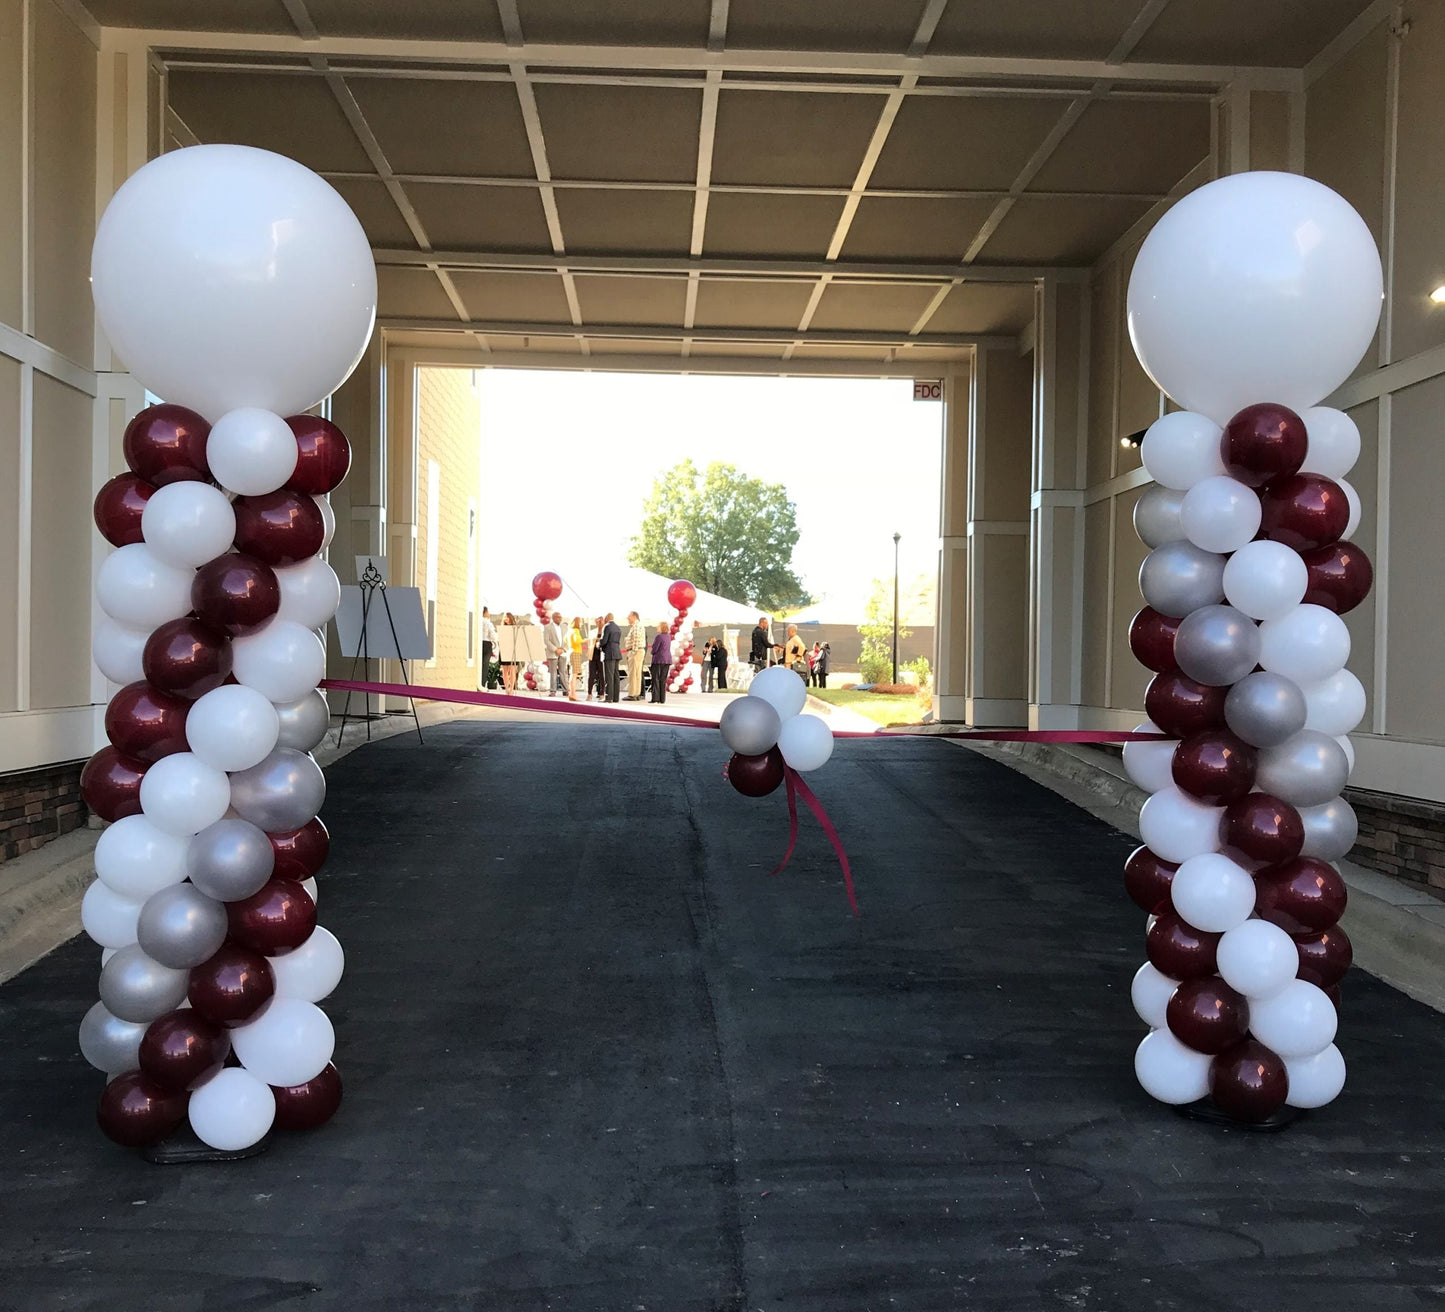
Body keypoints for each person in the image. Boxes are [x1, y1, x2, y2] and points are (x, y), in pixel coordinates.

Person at [623, 609, 648, 701]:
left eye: (629, 616)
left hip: (635, 652)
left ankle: (632, 694)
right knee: (637, 674)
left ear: (634, 616)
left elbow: (636, 640)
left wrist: (633, 652)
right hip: (639, 652)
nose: (628, 618)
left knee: (633, 673)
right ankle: (636, 693)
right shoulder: (638, 625)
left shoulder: (636, 626)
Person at [543, 610, 568, 698]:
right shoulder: (547, 627)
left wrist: (563, 649)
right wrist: (555, 649)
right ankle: (553, 690)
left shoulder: (565, 627)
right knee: (553, 672)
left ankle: (566, 690)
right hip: (553, 653)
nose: (560, 619)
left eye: (560, 617)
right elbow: (546, 640)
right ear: (553, 618)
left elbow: (567, 640)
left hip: (563, 652)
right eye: (558, 617)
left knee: (563, 672)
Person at [600, 612, 623, 703]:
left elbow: (604, 640)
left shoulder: (607, 626)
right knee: (616, 675)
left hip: (609, 653)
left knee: (609, 675)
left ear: (607, 618)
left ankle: (609, 697)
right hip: (617, 652)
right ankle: (616, 697)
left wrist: (599, 644)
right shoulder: (618, 627)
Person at [649, 622, 672, 703]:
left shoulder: (659, 636)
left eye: (658, 626)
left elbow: (655, 648)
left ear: (662, 628)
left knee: (656, 679)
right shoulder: (668, 636)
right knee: (663, 679)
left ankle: (655, 698)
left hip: (658, 660)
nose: (657, 628)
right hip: (667, 660)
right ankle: (662, 698)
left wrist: (652, 652)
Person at [587, 616, 605, 701]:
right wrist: (596, 640)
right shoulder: (592, 632)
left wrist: (599, 641)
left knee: (602, 675)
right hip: (593, 655)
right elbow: (590, 642)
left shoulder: (605, 630)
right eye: (598, 622)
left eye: (601, 621)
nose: (600, 623)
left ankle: (602, 693)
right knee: (592, 675)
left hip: (602, 655)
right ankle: (589, 693)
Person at [499, 612, 518, 694]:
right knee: (504, 670)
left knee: (512, 669)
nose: (505, 618)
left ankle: (512, 689)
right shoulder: (502, 628)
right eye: (504, 617)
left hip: (512, 650)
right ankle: (506, 688)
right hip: (503, 649)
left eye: (507, 617)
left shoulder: (515, 628)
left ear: (510, 618)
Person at [567, 616, 585, 701]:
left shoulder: (569, 631)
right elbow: (577, 640)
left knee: (572, 674)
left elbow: (565, 640)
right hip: (576, 652)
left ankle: (571, 693)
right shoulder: (576, 631)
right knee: (574, 674)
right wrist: (585, 640)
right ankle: (573, 693)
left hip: (570, 651)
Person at [480, 606, 497, 671]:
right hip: (486, 644)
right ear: (485, 612)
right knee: (485, 665)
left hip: (479, 643)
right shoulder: (487, 622)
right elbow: (492, 635)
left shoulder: (478, 621)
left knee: (480, 664)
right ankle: (482, 680)